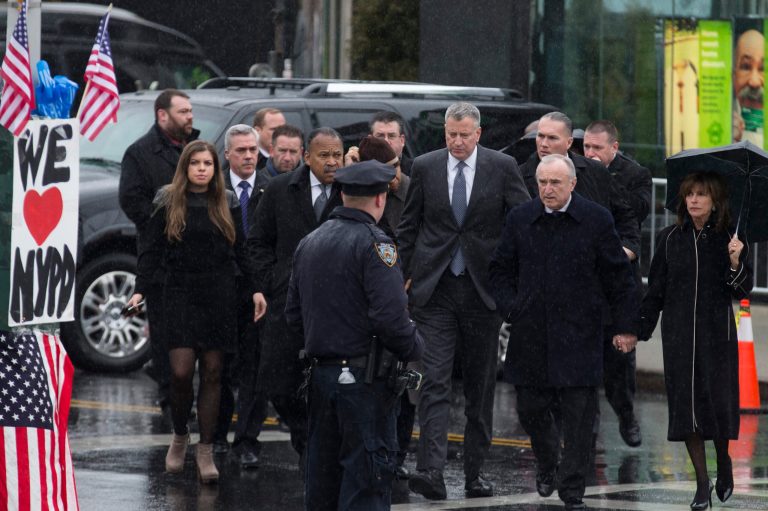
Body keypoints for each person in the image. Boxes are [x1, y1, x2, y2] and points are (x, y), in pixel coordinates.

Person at [489, 154, 639, 511]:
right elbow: (499, 270)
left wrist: (626, 326)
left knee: (579, 417)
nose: (547, 189)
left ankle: (572, 490)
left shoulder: (595, 219)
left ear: (572, 184)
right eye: (542, 182)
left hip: (581, 332)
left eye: (555, 182)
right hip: (532, 332)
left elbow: (619, 277)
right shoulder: (521, 219)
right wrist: (512, 306)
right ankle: (546, 461)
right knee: (530, 409)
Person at [397, 102, 530, 500]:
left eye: (463, 135)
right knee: (433, 381)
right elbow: (409, 226)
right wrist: (400, 276)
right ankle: (431, 472)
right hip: (434, 290)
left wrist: (513, 280)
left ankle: (475, 473)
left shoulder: (501, 168)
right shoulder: (424, 166)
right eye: (450, 134)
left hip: (481, 291)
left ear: (478, 135)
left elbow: (522, 221)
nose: (456, 141)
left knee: (479, 386)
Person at [285, 159, 424, 511]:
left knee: (323, 480)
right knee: (367, 482)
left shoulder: (310, 241)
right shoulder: (377, 245)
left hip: (321, 376)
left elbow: (293, 315)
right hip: (365, 381)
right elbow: (391, 319)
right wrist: (415, 346)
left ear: (343, 194)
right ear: (381, 199)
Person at [126, 140, 267, 483]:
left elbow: (243, 250)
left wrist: (256, 289)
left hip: (219, 293)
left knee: (215, 372)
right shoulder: (167, 199)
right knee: (180, 371)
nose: (202, 168)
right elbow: (151, 248)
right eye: (196, 163)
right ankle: (179, 435)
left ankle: (205, 448)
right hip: (179, 292)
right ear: (185, 167)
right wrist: (139, 289)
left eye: (207, 163)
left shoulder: (227, 201)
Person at [639, 172, 752, 509]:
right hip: (678, 337)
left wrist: (735, 262)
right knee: (687, 410)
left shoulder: (729, 239)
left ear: (714, 201)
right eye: (689, 194)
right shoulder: (669, 238)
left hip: (717, 336)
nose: (693, 200)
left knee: (715, 406)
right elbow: (655, 290)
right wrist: (637, 330)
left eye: (701, 194)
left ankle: (724, 461)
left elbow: (742, 290)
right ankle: (702, 483)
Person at [250, 127, 344, 463]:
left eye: (337, 155)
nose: (332, 162)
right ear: (306, 157)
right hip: (287, 301)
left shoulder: (350, 190)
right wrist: (266, 283)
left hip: (336, 305)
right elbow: (259, 242)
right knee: (279, 383)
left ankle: (317, 449)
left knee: (328, 382)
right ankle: (305, 436)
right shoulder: (278, 189)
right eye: (325, 156)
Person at [119, 89, 199, 413]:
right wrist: (163, 225)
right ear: (162, 115)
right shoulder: (140, 153)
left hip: (199, 257)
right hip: (163, 257)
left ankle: (192, 390)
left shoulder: (196, 150)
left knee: (198, 329)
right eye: (183, 111)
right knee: (166, 331)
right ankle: (171, 396)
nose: (190, 116)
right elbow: (131, 199)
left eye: (191, 110)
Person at [584, 120, 653, 447]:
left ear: (614, 147)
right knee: (584, 367)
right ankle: (588, 430)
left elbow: (638, 212)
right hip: (585, 279)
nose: (590, 153)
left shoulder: (634, 175)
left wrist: (604, 180)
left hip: (619, 279)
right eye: (586, 147)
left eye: (597, 148)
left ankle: (626, 415)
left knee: (618, 367)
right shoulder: (577, 170)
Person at [212, 125, 271, 468]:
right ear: (228, 155)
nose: (249, 156)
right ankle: (216, 435)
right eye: (242, 150)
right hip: (221, 290)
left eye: (253, 149)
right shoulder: (213, 187)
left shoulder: (269, 187)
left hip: (256, 291)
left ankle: (247, 440)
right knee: (218, 366)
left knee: (254, 368)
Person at [356, 135, 414, 478]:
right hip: (369, 302)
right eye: (388, 169)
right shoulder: (361, 199)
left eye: (397, 167)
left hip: (402, 294)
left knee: (400, 386)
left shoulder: (409, 192)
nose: (396, 175)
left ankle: (394, 457)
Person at [732, 29, 764, 144]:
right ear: (733, 76)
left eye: (763, 69)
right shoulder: (723, 122)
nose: (754, 82)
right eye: (745, 66)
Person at [370, 110, 413, 176]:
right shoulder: (358, 169)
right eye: (380, 136)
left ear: (402, 141)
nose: (386, 141)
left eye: (391, 136)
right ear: (370, 140)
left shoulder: (416, 171)